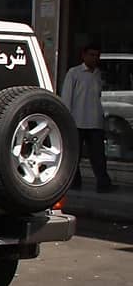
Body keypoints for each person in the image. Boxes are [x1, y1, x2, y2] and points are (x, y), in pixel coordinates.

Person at [60, 44, 117, 193]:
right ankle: (74, 181)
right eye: (91, 55)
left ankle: (103, 184)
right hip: (76, 121)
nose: (94, 58)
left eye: (96, 55)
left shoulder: (98, 74)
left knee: (98, 156)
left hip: (95, 122)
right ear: (84, 56)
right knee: (74, 155)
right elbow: (67, 97)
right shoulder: (74, 73)